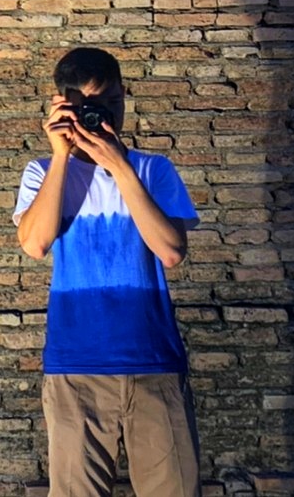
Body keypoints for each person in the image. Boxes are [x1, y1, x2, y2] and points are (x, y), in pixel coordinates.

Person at [13, 46, 202, 497]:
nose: (107, 115)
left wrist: (119, 165)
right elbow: (35, 244)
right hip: (76, 366)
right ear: (65, 106)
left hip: (154, 363)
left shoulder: (153, 170)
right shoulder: (43, 172)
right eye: (91, 106)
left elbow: (171, 251)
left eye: (114, 102)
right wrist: (62, 156)